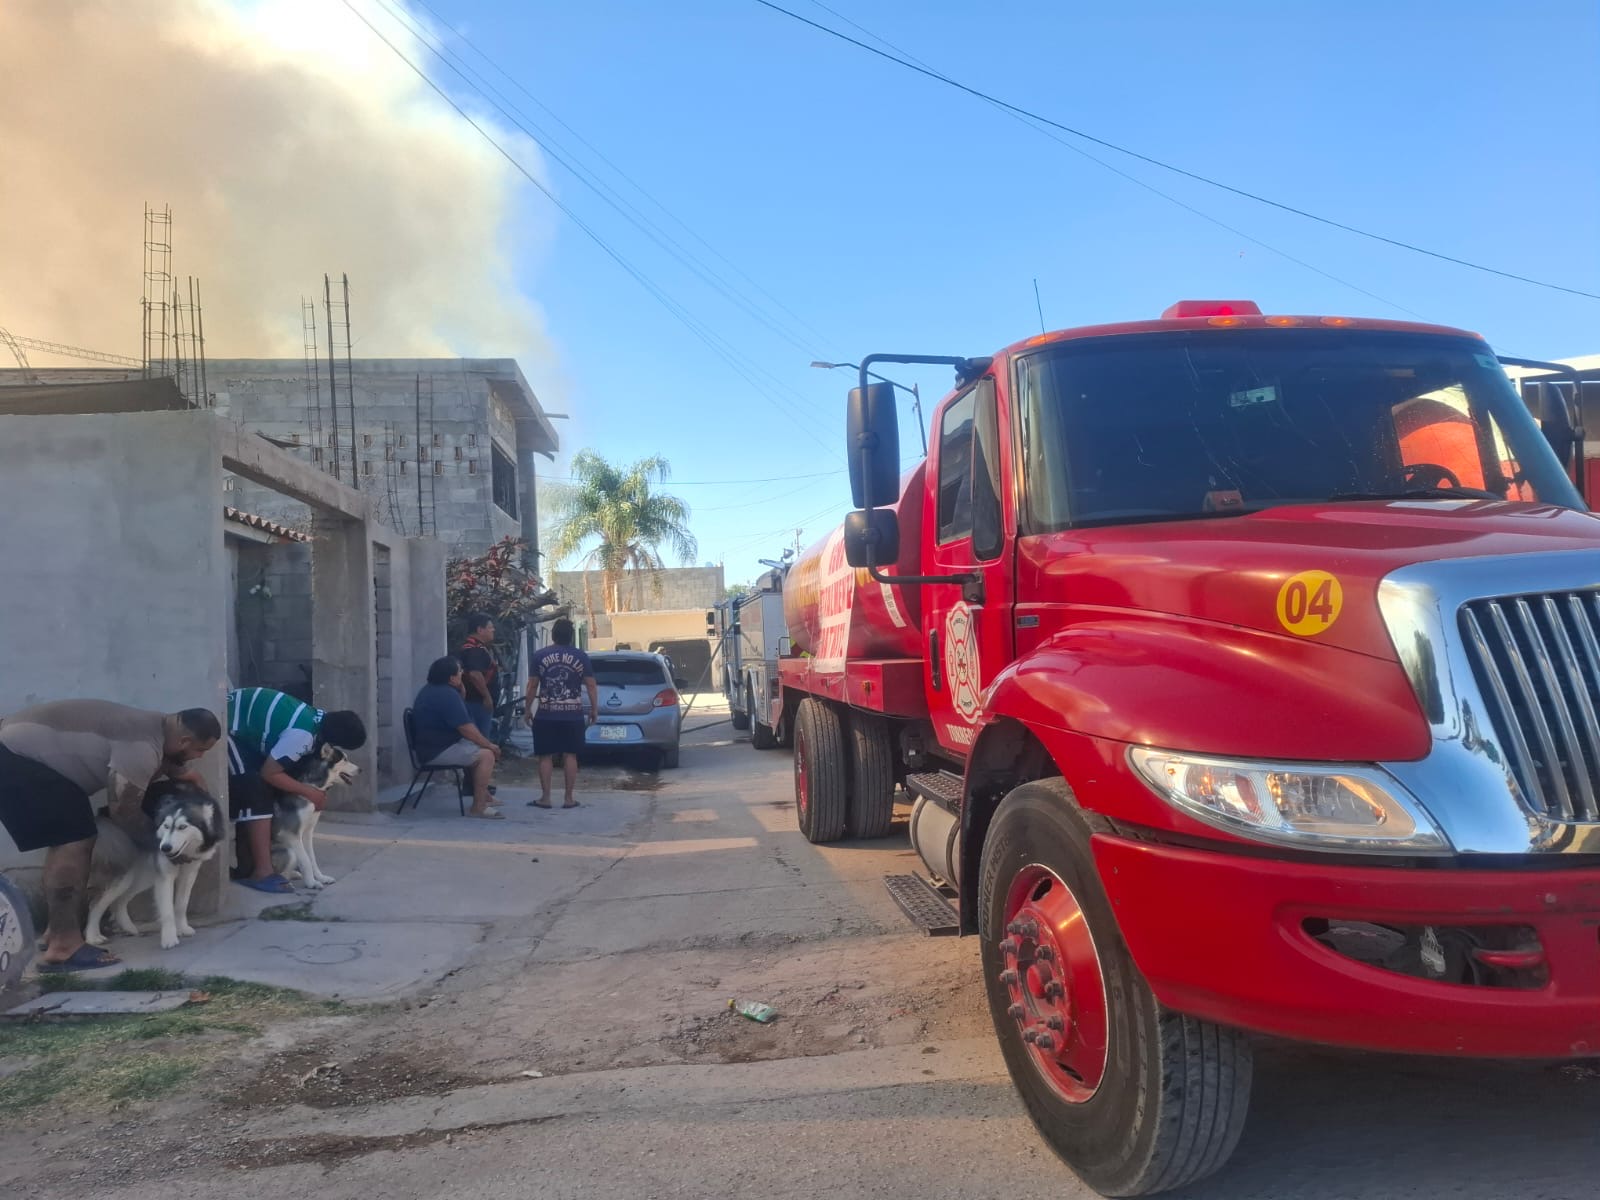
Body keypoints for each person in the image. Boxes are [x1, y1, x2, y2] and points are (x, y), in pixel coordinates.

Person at [0, 700, 221, 972]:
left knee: (70, 837)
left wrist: (190, 780)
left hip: (17, 751)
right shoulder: (141, 748)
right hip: (15, 758)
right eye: (200, 750)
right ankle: (63, 947)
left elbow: (174, 762)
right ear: (184, 740)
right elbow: (123, 811)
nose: (200, 756)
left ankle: (55, 932)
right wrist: (163, 846)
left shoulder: (158, 728)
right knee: (74, 840)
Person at [226, 687, 366, 893]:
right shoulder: (302, 735)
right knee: (254, 787)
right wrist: (310, 793)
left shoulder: (316, 718)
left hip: (243, 723)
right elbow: (269, 773)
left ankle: (249, 866)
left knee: (269, 786)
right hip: (227, 725)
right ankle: (262, 872)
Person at [413, 656, 502, 819]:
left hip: (434, 747)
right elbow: (466, 728)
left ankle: (485, 796)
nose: (462, 673)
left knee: (476, 748)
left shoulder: (433, 690)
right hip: (436, 752)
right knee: (486, 755)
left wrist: (462, 693)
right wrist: (490, 745)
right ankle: (478, 807)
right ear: (451, 678)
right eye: (460, 671)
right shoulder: (446, 695)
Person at [525, 618, 597, 810]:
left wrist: (527, 709)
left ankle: (545, 798)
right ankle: (569, 798)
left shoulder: (539, 655)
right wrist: (594, 709)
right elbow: (591, 685)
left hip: (546, 715)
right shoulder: (581, 656)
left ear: (553, 635)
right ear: (571, 636)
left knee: (545, 756)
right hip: (573, 715)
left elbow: (532, 685)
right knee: (570, 755)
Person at [458, 613, 499, 742]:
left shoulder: (475, 647)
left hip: (476, 702)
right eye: (490, 627)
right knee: (480, 741)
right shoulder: (474, 649)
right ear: (480, 630)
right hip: (477, 703)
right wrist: (487, 696)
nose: (493, 630)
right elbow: (474, 674)